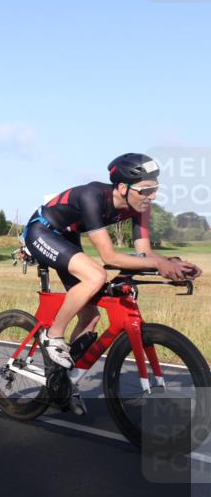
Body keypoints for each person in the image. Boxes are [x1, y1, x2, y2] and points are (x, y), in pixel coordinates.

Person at [21, 153, 202, 368]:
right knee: (96, 276)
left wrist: (172, 263)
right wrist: (158, 264)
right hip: (42, 231)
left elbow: (144, 252)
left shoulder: (141, 205)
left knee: (90, 318)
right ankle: (53, 335)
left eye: (155, 189)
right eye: (146, 190)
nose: (152, 196)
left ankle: (65, 378)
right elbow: (109, 257)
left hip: (68, 236)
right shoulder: (92, 196)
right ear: (123, 188)